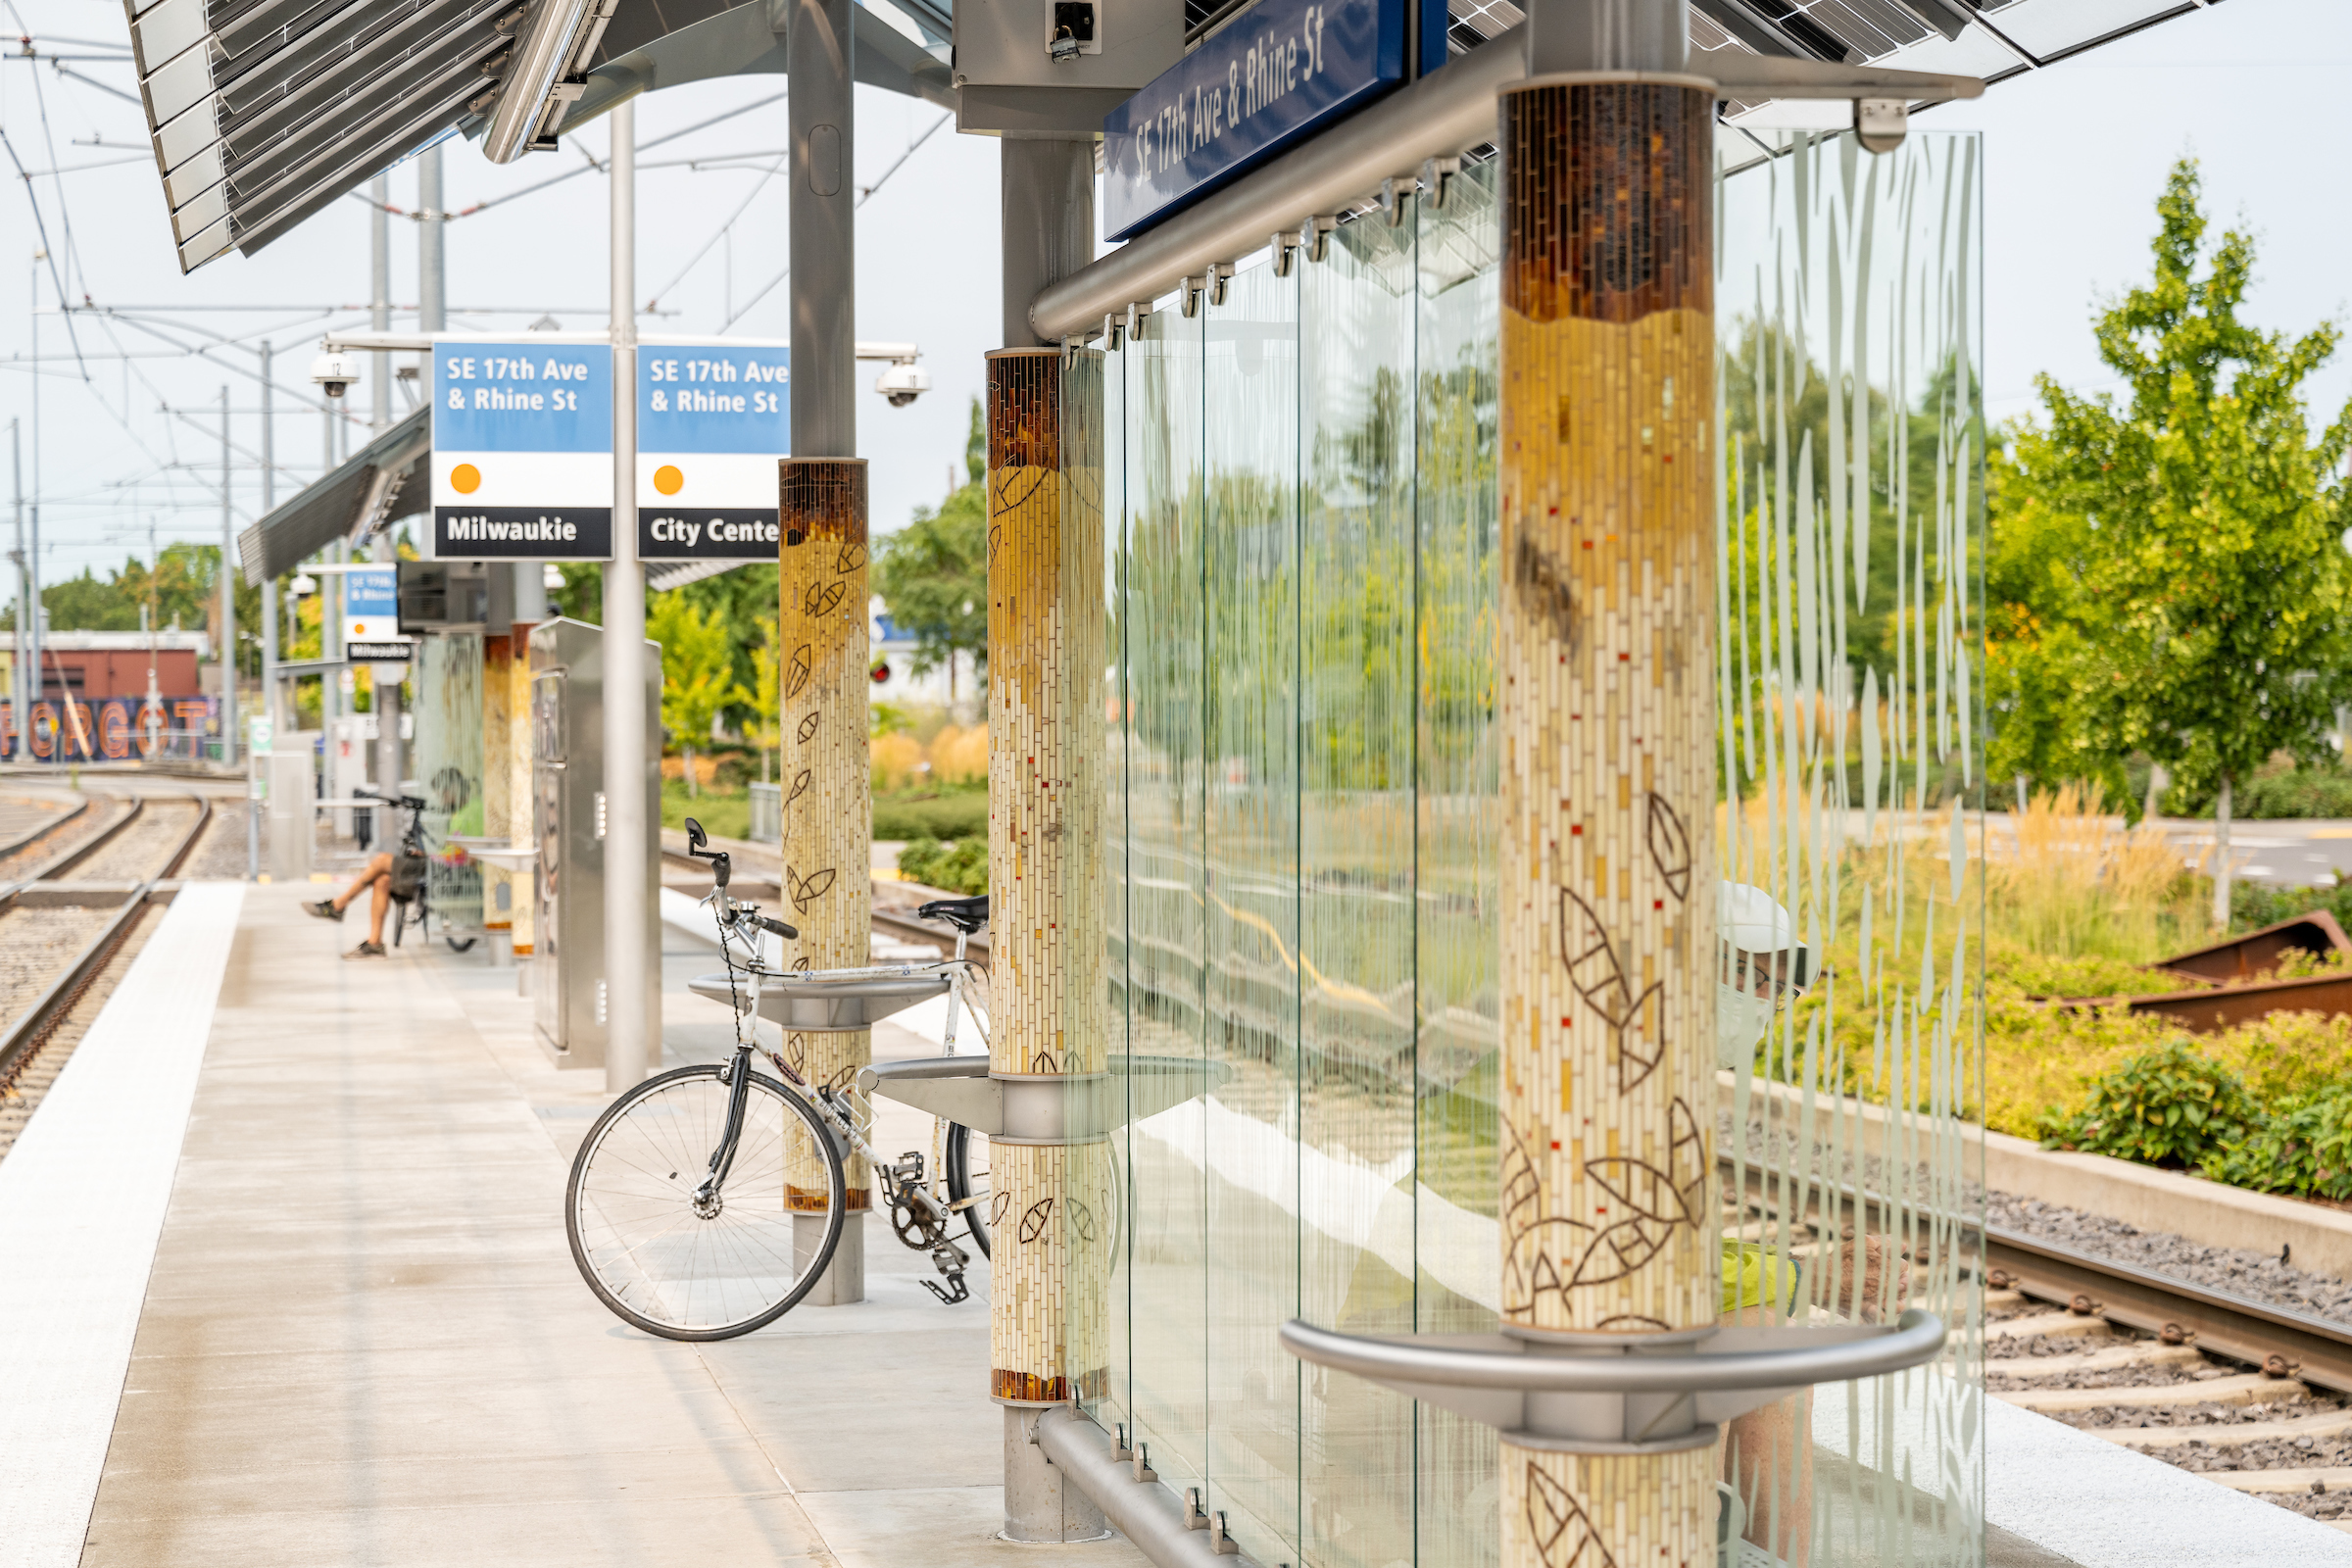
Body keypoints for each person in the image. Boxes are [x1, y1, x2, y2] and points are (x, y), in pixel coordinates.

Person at [305, 850, 416, 958]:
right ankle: (375, 944)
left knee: (381, 860)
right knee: (382, 880)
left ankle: (338, 905)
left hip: (431, 862)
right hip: (425, 860)